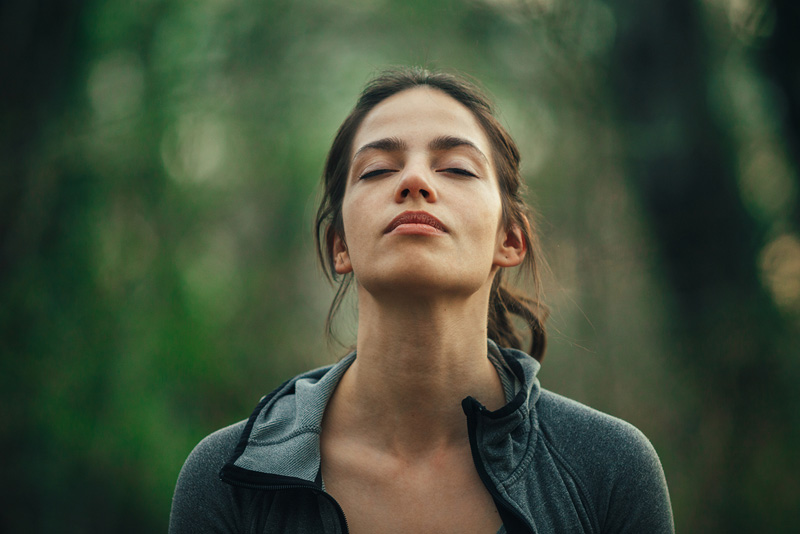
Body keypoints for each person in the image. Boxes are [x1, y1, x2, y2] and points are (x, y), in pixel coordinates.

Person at [169, 67, 675, 534]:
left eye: (456, 168)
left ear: (510, 239)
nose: (414, 181)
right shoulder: (227, 478)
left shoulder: (609, 469)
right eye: (375, 170)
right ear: (339, 245)